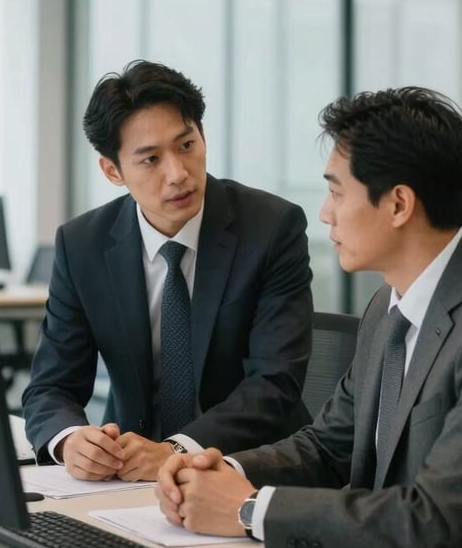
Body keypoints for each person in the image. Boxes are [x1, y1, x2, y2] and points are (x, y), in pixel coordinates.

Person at [156, 86, 462, 548]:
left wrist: (249, 509)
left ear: (399, 204)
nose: (324, 213)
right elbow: (328, 445)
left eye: (336, 191)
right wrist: (221, 474)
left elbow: (433, 521)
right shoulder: (389, 305)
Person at [22, 59, 313, 482]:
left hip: (244, 469)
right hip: (125, 475)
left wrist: (174, 451)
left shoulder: (271, 229)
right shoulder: (82, 245)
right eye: (150, 159)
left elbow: (274, 383)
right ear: (112, 170)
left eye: (186, 146)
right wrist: (71, 441)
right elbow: (51, 385)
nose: (177, 174)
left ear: (202, 136)